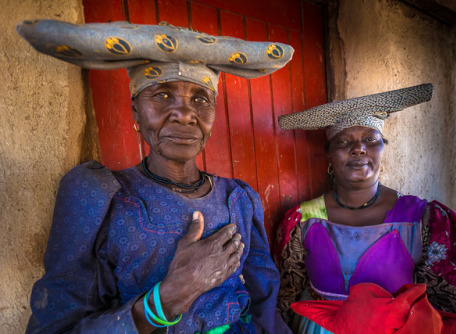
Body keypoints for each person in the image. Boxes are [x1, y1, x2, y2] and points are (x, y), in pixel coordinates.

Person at [17, 19, 294, 333]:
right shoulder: (98, 196)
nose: (185, 113)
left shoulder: (240, 199)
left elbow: (265, 307)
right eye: (162, 95)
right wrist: (171, 296)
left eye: (201, 99)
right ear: (135, 110)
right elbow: (55, 327)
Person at [274, 84, 456, 333]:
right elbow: (285, 294)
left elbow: (452, 303)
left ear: (384, 148)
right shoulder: (301, 221)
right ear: (328, 155)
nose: (358, 148)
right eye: (343, 141)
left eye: (371, 140)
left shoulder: (424, 219)